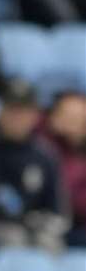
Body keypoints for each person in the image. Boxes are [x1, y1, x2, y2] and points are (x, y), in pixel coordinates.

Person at [0, 79, 65, 249]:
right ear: (0, 111)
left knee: (51, 244)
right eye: (12, 110)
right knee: (14, 238)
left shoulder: (45, 156)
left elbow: (57, 209)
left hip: (33, 231)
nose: (17, 117)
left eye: (24, 111)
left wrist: (40, 224)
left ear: (35, 114)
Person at [37, 91, 86, 243]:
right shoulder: (40, 147)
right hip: (46, 222)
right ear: (53, 116)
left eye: (79, 118)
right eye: (67, 115)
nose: (72, 123)